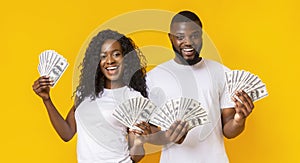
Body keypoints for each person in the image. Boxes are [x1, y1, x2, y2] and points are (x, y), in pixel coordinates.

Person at [146, 11, 255, 162]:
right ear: (170, 38)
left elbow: (229, 131)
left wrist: (239, 120)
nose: (188, 42)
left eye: (194, 35)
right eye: (180, 37)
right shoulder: (153, 77)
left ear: (202, 35)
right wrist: (167, 137)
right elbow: (149, 130)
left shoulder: (221, 73)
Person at [32, 29, 151, 163]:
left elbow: (136, 156)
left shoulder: (133, 97)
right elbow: (67, 133)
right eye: (103, 56)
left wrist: (139, 143)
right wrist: (46, 99)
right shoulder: (85, 94)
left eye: (116, 54)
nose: (110, 61)